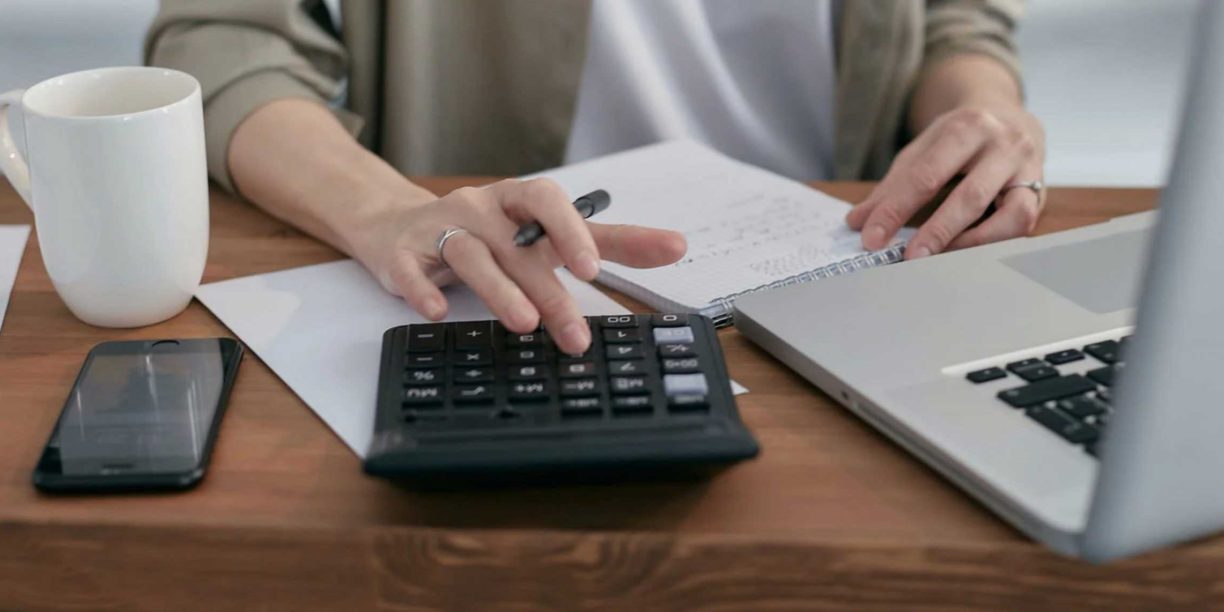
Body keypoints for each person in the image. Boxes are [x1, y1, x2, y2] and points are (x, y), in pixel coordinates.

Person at [146, 0, 1043, 355]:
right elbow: (228, 41)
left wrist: (982, 112)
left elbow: (959, 23)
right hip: (506, 287)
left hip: (847, 274)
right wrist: (386, 211)